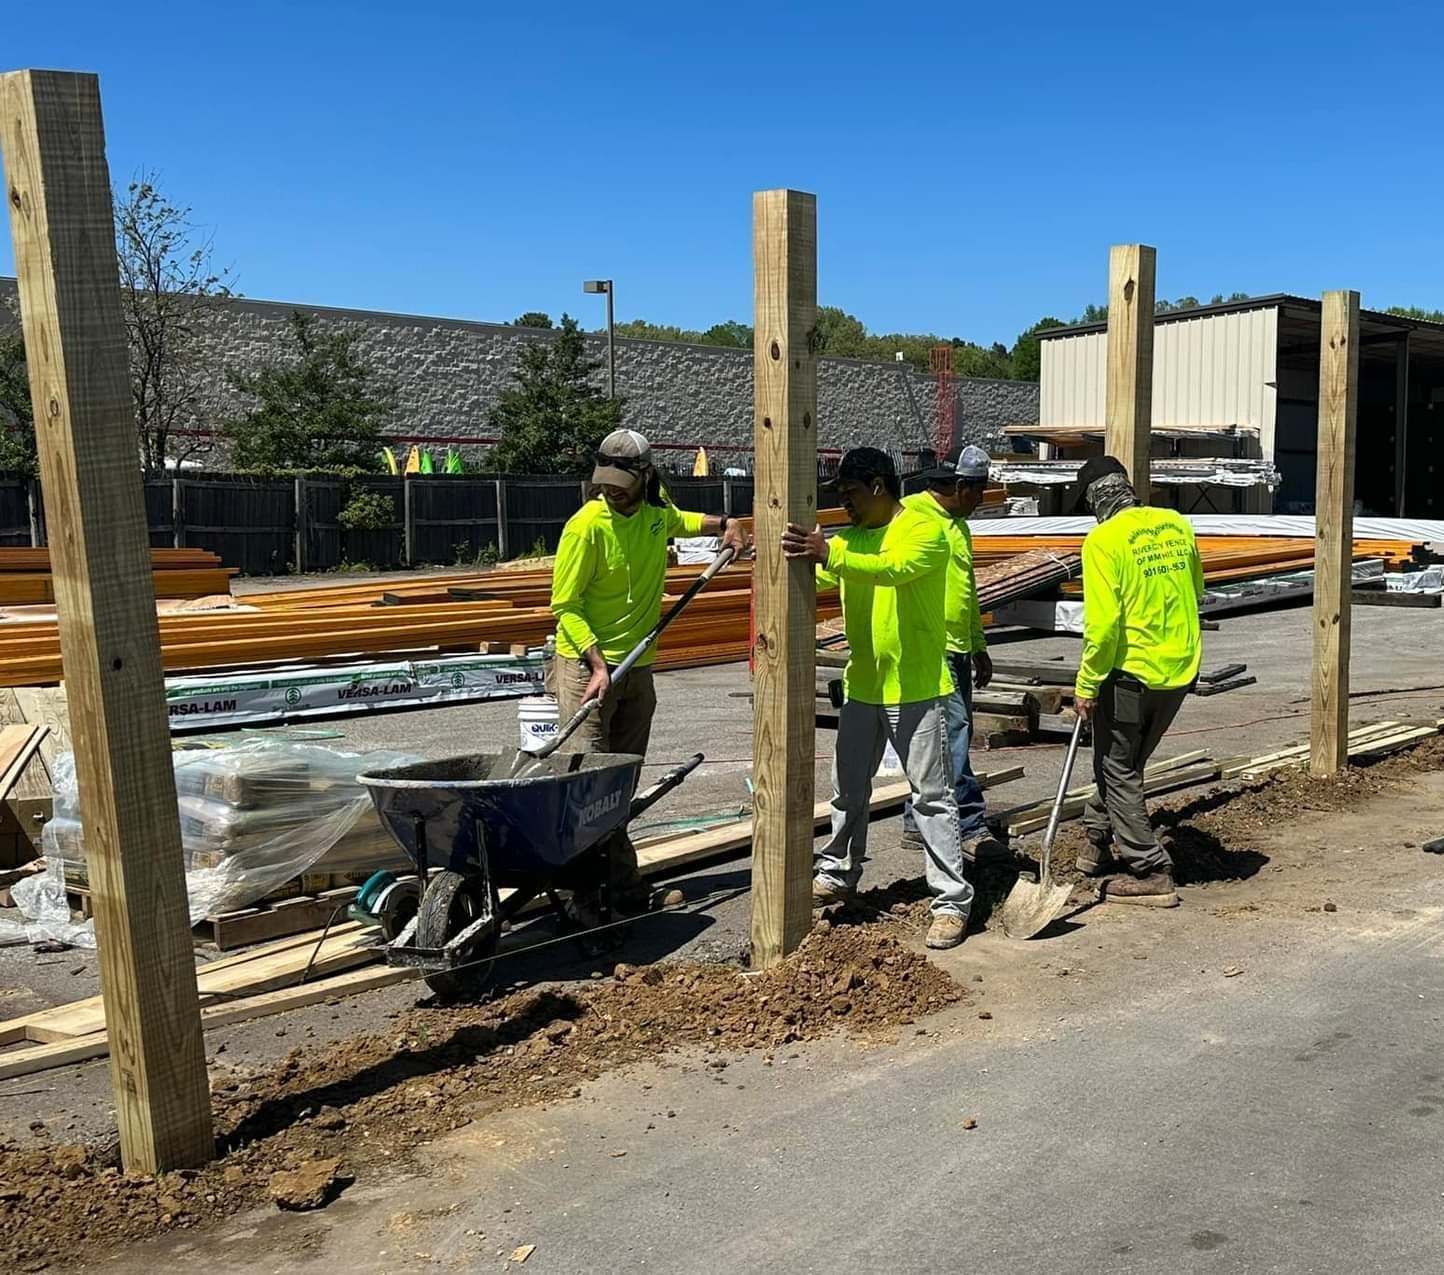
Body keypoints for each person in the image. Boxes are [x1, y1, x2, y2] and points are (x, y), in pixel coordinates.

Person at [550, 429, 750, 911]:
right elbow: (565, 606)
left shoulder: (655, 517)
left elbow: (683, 519)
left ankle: (618, 888)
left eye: (622, 481)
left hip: (637, 668)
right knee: (589, 784)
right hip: (586, 666)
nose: (612, 490)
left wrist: (727, 522)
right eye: (606, 481)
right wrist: (596, 664)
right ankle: (587, 893)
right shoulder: (586, 526)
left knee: (620, 784)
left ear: (645, 476)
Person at [782, 447, 973, 950]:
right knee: (847, 790)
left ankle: (952, 900)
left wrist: (831, 554)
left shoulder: (924, 530)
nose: (843, 503)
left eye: (849, 493)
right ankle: (840, 869)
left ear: (878, 486)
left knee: (932, 798)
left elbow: (895, 568)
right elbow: (821, 570)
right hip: (864, 686)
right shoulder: (851, 539)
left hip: (917, 687)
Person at [1071, 455, 1204, 907]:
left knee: (1117, 767)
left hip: (1132, 676)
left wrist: (1087, 685)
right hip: (1180, 668)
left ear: (1094, 499)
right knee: (1124, 761)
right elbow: (1197, 590)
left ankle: (1150, 869)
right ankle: (1094, 840)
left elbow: (1104, 627)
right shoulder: (1175, 524)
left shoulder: (1102, 541)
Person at [898, 444, 1004, 863]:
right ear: (959, 486)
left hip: (958, 647)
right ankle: (971, 824)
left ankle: (915, 820)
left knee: (940, 740)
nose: (980, 502)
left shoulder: (958, 526)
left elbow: (967, 591)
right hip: (929, 647)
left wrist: (979, 645)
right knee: (951, 738)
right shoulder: (909, 515)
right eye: (977, 493)